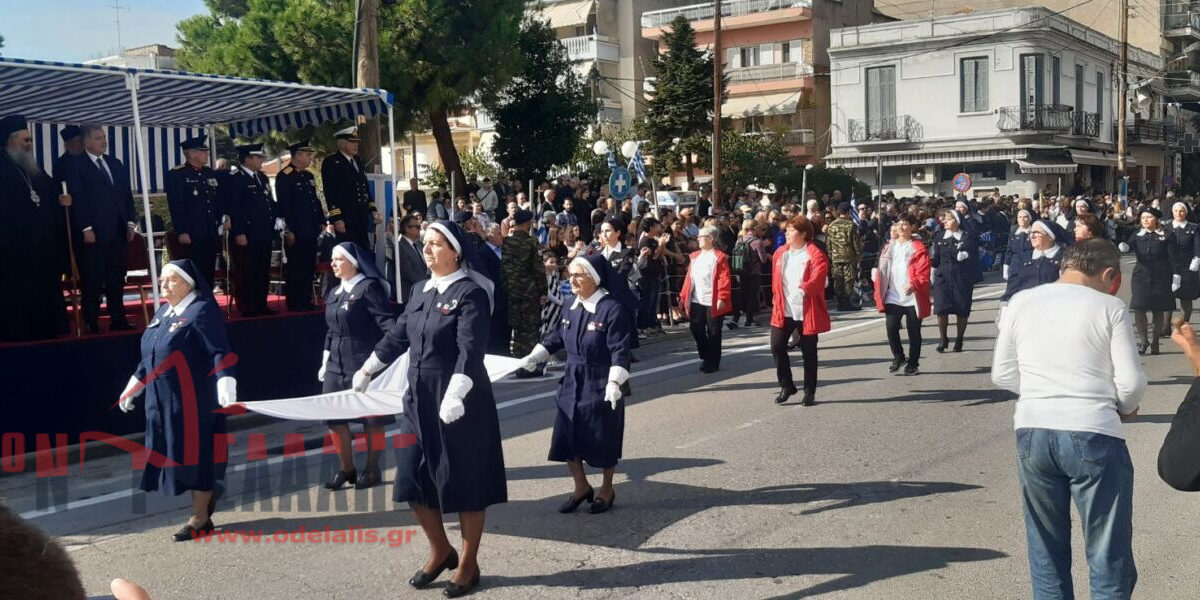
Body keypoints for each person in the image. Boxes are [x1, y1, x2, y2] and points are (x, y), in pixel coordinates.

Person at [351, 220, 504, 597]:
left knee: (466, 480)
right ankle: (441, 549)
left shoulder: (471, 293)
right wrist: (370, 366)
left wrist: (456, 393)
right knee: (411, 479)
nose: (428, 250)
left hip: (457, 397)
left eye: (437, 244)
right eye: (426, 244)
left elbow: (471, 349)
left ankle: (468, 563)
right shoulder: (421, 290)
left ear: (456, 251)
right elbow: (399, 334)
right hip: (418, 396)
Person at [992, 239, 1145, 600]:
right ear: (1110, 275)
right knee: (1108, 550)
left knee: (1045, 547)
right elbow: (1131, 382)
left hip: (1033, 429)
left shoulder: (1021, 301)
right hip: (1093, 430)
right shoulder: (1109, 307)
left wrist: (1038, 390)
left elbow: (1002, 374)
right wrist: (1122, 405)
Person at [118, 259, 237, 541]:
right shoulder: (165, 312)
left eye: (170, 280)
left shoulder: (202, 311)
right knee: (178, 455)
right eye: (161, 280)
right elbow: (150, 355)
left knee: (198, 455)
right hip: (162, 401)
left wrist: (225, 381)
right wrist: (134, 384)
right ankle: (204, 502)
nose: (163, 284)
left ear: (187, 283)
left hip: (193, 400)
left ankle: (199, 518)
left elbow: (219, 351)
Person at [516, 253, 634, 514]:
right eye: (570, 274)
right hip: (572, 378)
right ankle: (581, 486)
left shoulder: (611, 308)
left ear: (594, 278)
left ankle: (606, 488)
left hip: (601, 380)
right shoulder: (569, 304)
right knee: (566, 435)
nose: (572, 279)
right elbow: (556, 336)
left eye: (578, 274)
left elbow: (619, 349)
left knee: (604, 437)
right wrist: (534, 356)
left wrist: (615, 382)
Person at [319, 242, 395, 490]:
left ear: (353, 263)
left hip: (362, 361)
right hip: (335, 364)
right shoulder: (333, 292)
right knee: (334, 418)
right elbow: (331, 330)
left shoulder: (367, 288)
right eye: (332, 259)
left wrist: (377, 361)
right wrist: (324, 359)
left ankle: (372, 468)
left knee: (371, 419)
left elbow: (388, 326)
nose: (333, 264)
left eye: (338, 259)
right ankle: (346, 468)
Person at [0, 114, 70, 342]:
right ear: (10, 141)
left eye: (29, 140)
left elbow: (47, 192)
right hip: (14, 249)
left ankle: (47, 327)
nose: (29, 144)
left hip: (42, 247)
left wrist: (61, 200)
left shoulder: (32, 167)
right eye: (25, 140)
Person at [61, 124, 136, 333]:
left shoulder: (115, 163)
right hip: (94, 232)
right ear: (86, 142)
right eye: (97, 138)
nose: (103, 141)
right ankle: (91, 320)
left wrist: (130, 221)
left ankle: (118, 318)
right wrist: (85, 228)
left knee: (116, 277)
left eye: (103, 137)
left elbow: (126, 195)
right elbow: (78, 199)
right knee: (92, 279)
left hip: (118, 230)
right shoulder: (77, 165)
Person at [769, 215, 830, 406]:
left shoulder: (815, 253)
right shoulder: (780, 253)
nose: (787, 233)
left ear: (803, 233)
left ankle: (809, 391)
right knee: (777, 346)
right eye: (786, 229)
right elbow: (775, 279)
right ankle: (787, 385)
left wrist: (804, 289)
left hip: (806, 310)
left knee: (809, 352)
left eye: (792, 230)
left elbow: (818, 278)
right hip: (783, 309)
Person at [872, 214, 931, 376]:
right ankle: (898, 357)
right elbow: (883, 267)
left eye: (905, 224)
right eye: (899, 224)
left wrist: (914, 284)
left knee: (914, 332)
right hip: (893, 295)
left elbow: (923, 270)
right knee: (891, 328)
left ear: (912, 227)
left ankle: (913, 363)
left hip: (913, 297)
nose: (902, 227)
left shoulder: (917, 247)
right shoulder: (889, 246)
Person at [166, 134, 224, 287]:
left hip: (210, 230)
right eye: (203, 151)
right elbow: (176, 204)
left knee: (209, 271)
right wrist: (182, 230)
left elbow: (216, 200)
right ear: (192, 154)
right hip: (193, 232)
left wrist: (222, 218)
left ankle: (208, 303)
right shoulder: (178, 174)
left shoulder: (208, 172)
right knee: (194, 273)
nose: (207, 154)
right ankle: (197, 306)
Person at [226, 143, 277, 317]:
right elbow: (235, 207)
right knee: (248, 270)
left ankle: (261, 303)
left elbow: (269, 203)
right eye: (258, 157)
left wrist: (278, 219)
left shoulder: (262, 178)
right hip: (247, 233)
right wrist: (239, 232)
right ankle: (248, 305)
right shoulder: (236, 178)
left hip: (264, 231)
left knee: (263, 269)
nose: (262, 160)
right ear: (247, 159)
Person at [1119, 207, 1178, 355]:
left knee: (1158, 309)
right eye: (1143, 217)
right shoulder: (1137, 235)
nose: (1145, 220)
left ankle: (1156, 342)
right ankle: (1144, 341)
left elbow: (1173, 257)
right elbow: (1128, 246)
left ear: (1156, 219)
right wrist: (1124, 247)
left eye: (1149, 217)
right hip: (1141, 276)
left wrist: (1176, 276)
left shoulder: (1167, 235)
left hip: (1161, 276)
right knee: (1139, 308)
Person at [276, 140, 326, 312]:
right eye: (306, 154)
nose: (310, 158)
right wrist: (288, 229)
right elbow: (284, 205)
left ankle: (306, 299)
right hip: (296, 229)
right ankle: (295, 301)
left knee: (308, 265)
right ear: (296, 155)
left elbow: (314, 201)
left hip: (310, 228)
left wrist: (321, 221)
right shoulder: (285, 175)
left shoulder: (308, 176)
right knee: (296, 266)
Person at [679, 226, 732, 373]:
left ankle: (712, 362)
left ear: (710, 239)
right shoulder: (694, 256)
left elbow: (724, 278)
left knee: (714, 332)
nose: (698, 239)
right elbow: (689, 278)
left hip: (712, 300)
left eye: (701, 236)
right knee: (696, 328)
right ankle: (705, 354)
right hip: (696, 299)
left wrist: (722, 297)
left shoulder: (719, 257)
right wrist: (684, 296)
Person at [322, 126, 380, 249]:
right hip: (345, 220)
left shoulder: (358, 161)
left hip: (361, 218)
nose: (356, 145)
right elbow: (330, 193)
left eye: (356, 142)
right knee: (348, 255)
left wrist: (373, 210)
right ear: (342, 144)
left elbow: (364, 189)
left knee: (363, 254)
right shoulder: (332, 162)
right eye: (352, 142)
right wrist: (337, 218)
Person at [501, 209, 544, 376]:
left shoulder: (507, 243)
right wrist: (543, 290)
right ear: (526, 224)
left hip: (512, 292)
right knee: (530, 330)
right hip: (528, 292)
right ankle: (529, 366)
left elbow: (503, 269)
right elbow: (538, 270)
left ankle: (519, 365)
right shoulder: (531, 242)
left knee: (517, 331)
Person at [931, 208, 980, 353]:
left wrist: (966, 254)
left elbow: (972, 254)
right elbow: (936, 258)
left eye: (949, 218)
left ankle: (959, 339)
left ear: (957, 221)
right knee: (941, 309)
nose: (944, 221)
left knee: (962, 309)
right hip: (943, 277)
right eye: (944, 219)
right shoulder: (939, 236)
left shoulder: (966, 236)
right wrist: (928, 268)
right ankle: (943, 338)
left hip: (961, 277)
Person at [1167, 201, 1200, 333]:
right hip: (1169, 265)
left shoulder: (1194, 227)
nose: (1178, 213)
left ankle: (1184, 324)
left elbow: (1197, 246)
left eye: (1181, 211)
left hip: (1187, 266)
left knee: (1185, 297)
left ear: (1186, 212)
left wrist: (1197, 258)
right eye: (1176, 211)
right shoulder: (1167, 227)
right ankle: (1165, 327)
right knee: (1167, 296)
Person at [826, 202, 863, 311]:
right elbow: (855, 242)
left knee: (838, 279)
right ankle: (847, 302)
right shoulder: (851, 225)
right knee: (848, 279)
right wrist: (859, 255)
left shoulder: (832, 225)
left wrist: (830, 255)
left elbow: (828, 242)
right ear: (848, 212)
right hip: (848, 256)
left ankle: (840, 302)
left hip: (835, 257)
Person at [397, 213, 430, 304]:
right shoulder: (399, 247)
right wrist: (429, 283)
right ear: (407, 229)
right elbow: (408, 273)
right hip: (411, 294)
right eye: (417, 227)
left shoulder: (419, 244)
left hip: (426, 288)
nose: (420, 229)